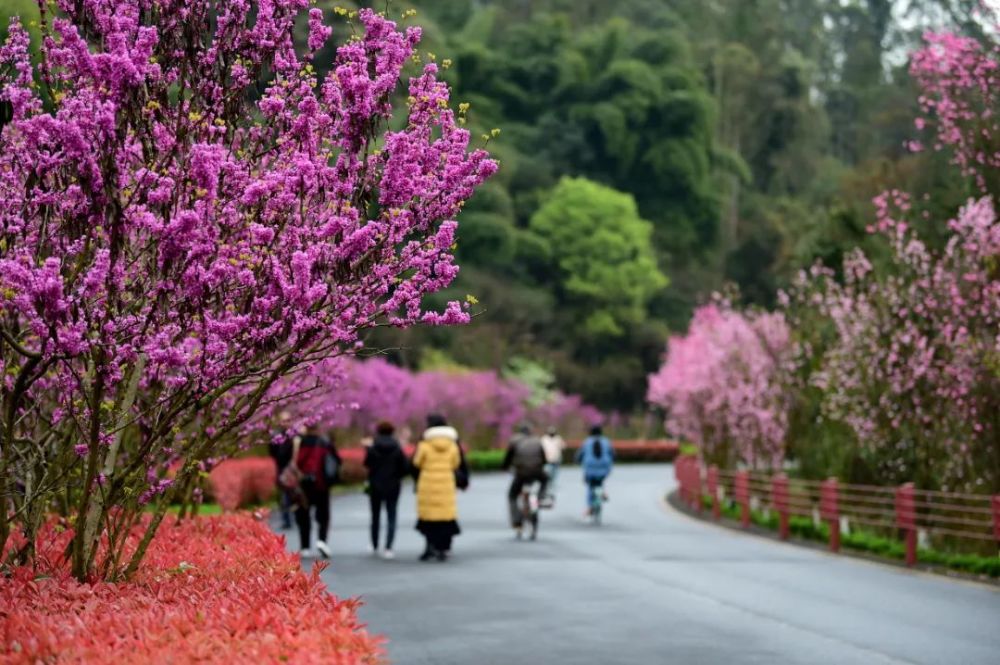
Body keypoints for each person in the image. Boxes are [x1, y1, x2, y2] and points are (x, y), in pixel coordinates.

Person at [412, 414, 462, 561]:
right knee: (444, 517)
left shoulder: (424, 445)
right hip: (446, 483)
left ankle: (429, 548)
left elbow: (417, 463)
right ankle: (442, 549)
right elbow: (456, 463)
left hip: (427, 484)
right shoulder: (452, 445)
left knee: (429, 518)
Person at [292, 424, 341, 559]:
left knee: (303, 515)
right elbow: (337, 460)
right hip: (322, 484)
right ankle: (322, 541)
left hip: (303, 484)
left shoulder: (300, 442)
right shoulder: (326, 443)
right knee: (323, 515)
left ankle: (305, 546)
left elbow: (290, 460)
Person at [364, 421, 408, 559]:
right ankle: (388, 547)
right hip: (393, 485)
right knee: (391, 516)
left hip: (375, 485)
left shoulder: (373, 447)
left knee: (375, 516)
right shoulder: (397, 448)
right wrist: (397, 476)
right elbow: (405, 467)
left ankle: (374, 544)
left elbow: (367, 464)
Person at [502, 423, 548, 534]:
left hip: (521, 473)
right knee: (545, 479)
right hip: (537, 472)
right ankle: (541, 496)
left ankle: (517, 522)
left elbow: (508, 458)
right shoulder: (537, 441)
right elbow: (544, 459)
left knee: (512, 496)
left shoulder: (514, 441)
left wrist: (504, 467)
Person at [575, 425, 614, 515]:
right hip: (605, 468)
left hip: (590, 469)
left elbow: (580, 455)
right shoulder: (606, 441)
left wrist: (577, 461)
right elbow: (612, 454)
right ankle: (602, 492)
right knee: (600, 481)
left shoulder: (587, 442)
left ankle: (589, 507)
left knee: (590, 486)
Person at [267, 411, 295, 529]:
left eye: (288, 420)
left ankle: (295, 518)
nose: (286, 423)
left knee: (295, 495)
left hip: (295, 470)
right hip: (282, 469)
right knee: (284, 496)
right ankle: (286, 519)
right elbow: (272, 453)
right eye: (284, 421)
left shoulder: (296, 436)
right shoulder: (276, 436)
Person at [540, 426, 565, 499]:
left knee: (554, 476)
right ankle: (547, 488)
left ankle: (551, 489)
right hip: (547, 461)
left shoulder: (558, 438)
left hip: (556, 461)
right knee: (547, 475)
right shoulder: (544, 439)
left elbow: (563, 447)